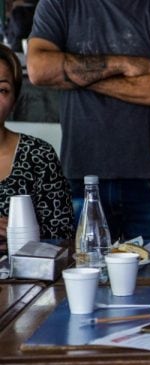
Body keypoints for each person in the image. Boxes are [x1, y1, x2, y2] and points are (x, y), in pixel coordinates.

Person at [26, 0, 150, 240]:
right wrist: (123, 64)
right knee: (83, 271)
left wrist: (78, 77)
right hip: (82, 175)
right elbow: (39, 70)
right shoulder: (58, 5)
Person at [0, 44, 72, 241]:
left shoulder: (38, 155)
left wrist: (21, 234)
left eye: (2, 90)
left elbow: (62, 235)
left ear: (14, 100)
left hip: (26, 271)